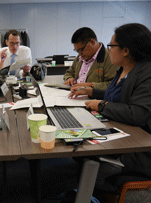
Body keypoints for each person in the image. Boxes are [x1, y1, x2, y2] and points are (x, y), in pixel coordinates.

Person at [69, 23, 151, 200]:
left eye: (111, 45)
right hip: (119, 131)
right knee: (76, 143)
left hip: (135, 150)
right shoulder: (124, 69)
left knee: (81, 150)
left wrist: (100, 105)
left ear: (126, 50)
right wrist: (91, 91)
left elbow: (138, 113)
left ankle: (91, 191)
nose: (108, 50)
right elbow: (114, 95)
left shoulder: (146, 73)